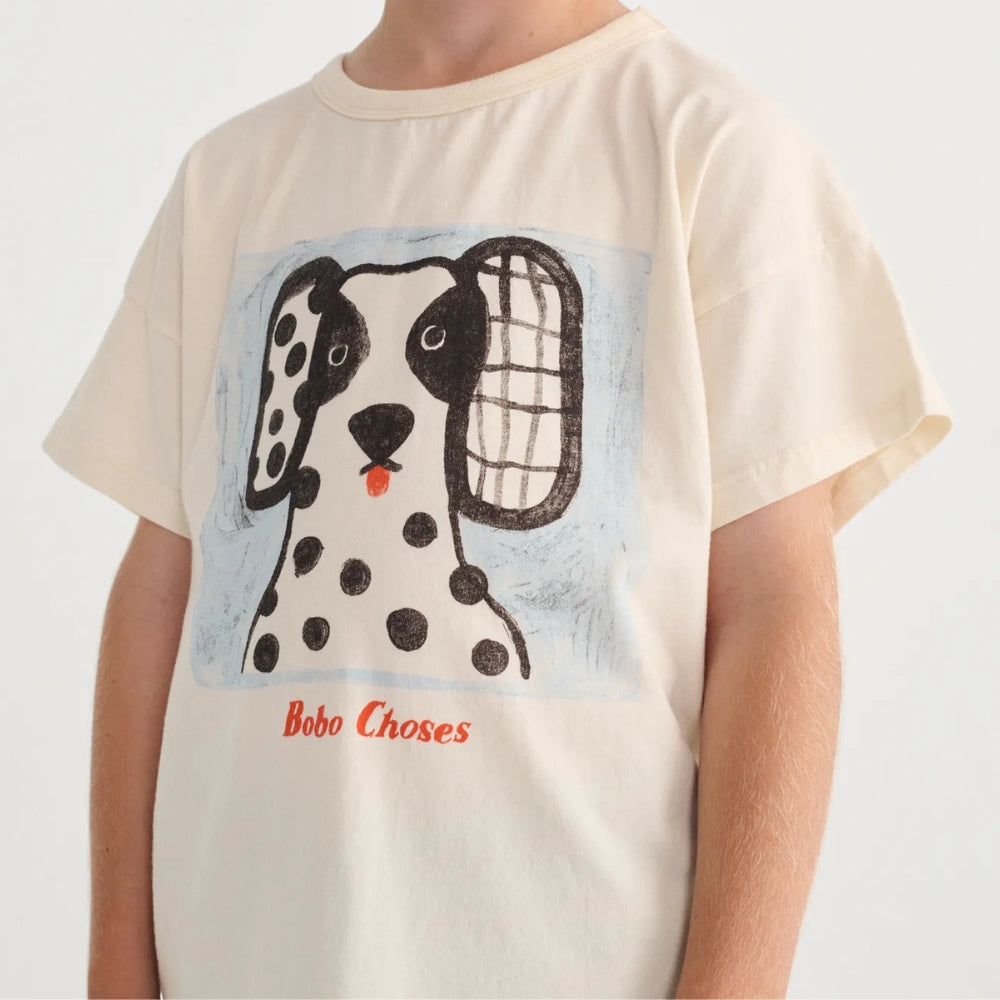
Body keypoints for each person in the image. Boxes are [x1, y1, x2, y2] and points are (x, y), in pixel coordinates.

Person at [40, 1, 953, 997]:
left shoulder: (711, 148)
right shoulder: (230, 177)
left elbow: (776, 608)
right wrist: (114, 964)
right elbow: (161, 585)